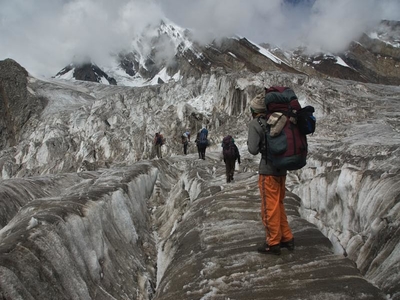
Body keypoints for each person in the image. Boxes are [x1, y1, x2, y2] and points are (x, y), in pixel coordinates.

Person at [247, 92, 294, 255]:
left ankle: (273, 242)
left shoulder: (256, 123)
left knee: (269, 207)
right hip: (282, 169)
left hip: (268, 171)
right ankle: (287, 238)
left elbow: (252, 150)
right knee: (279, 204)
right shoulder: (277, 120)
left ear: (254, 110)